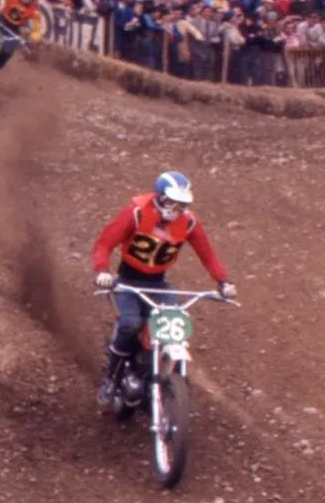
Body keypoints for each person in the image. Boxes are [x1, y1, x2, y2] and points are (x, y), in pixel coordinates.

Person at [88, 171, 235, 407]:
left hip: (158, 283)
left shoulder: (189, 223)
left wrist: (224, 282)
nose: (176, 208)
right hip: (128, 281)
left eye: (181, 204)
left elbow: (208, 255)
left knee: (173, 330)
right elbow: (105, 243)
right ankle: (110, 380)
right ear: (159, 197)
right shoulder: (136, 212)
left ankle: (162, 381)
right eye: (171, 202)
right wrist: (103, 271)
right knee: (130, 323)